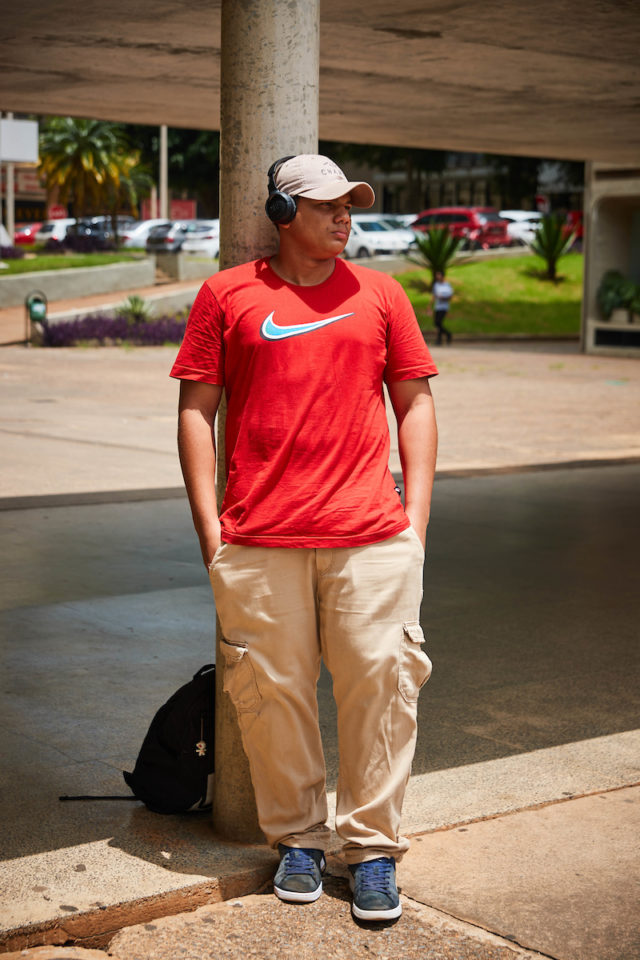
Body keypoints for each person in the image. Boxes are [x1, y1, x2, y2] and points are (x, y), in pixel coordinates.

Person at [171, 154, 438, 923]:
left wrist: (415, 524)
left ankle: (375, 850)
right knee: (272, 698)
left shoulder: (383, 295)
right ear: (283, 213)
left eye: (350, 205)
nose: (343, 217)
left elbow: (414, 404)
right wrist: (210, 530)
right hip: (260, 539)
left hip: (371, 538)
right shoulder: (228, 294)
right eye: (326, 207)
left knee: (383, 692)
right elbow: (197, 412)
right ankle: (298, 840)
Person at [431, 270, 454, 345]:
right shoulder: (436, 285)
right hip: (437, 306)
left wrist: (444, 297)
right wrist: (429, 306)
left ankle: (446, 335)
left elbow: (450, 296)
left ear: (442, 276)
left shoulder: (447, 285)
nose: (437, 277)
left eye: (439, 275)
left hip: (444, 307)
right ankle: (441, 339)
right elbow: (434, 296)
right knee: (437, 323)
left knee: (438, 322)